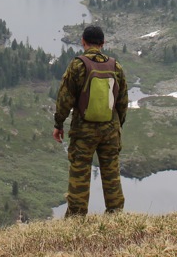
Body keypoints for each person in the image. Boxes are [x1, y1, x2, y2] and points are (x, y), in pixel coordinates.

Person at [53, 24, 129, 216]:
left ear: (83, 42)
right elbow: (123, 102)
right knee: (111, 171)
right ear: (103, 43)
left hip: (83, 130)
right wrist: (117, 126)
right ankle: (116, 213)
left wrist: (59, 124)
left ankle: (77, 218)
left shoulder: (78, 65)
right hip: (110, 129)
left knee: (80, 172)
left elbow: (65, 98)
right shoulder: (115, 66)